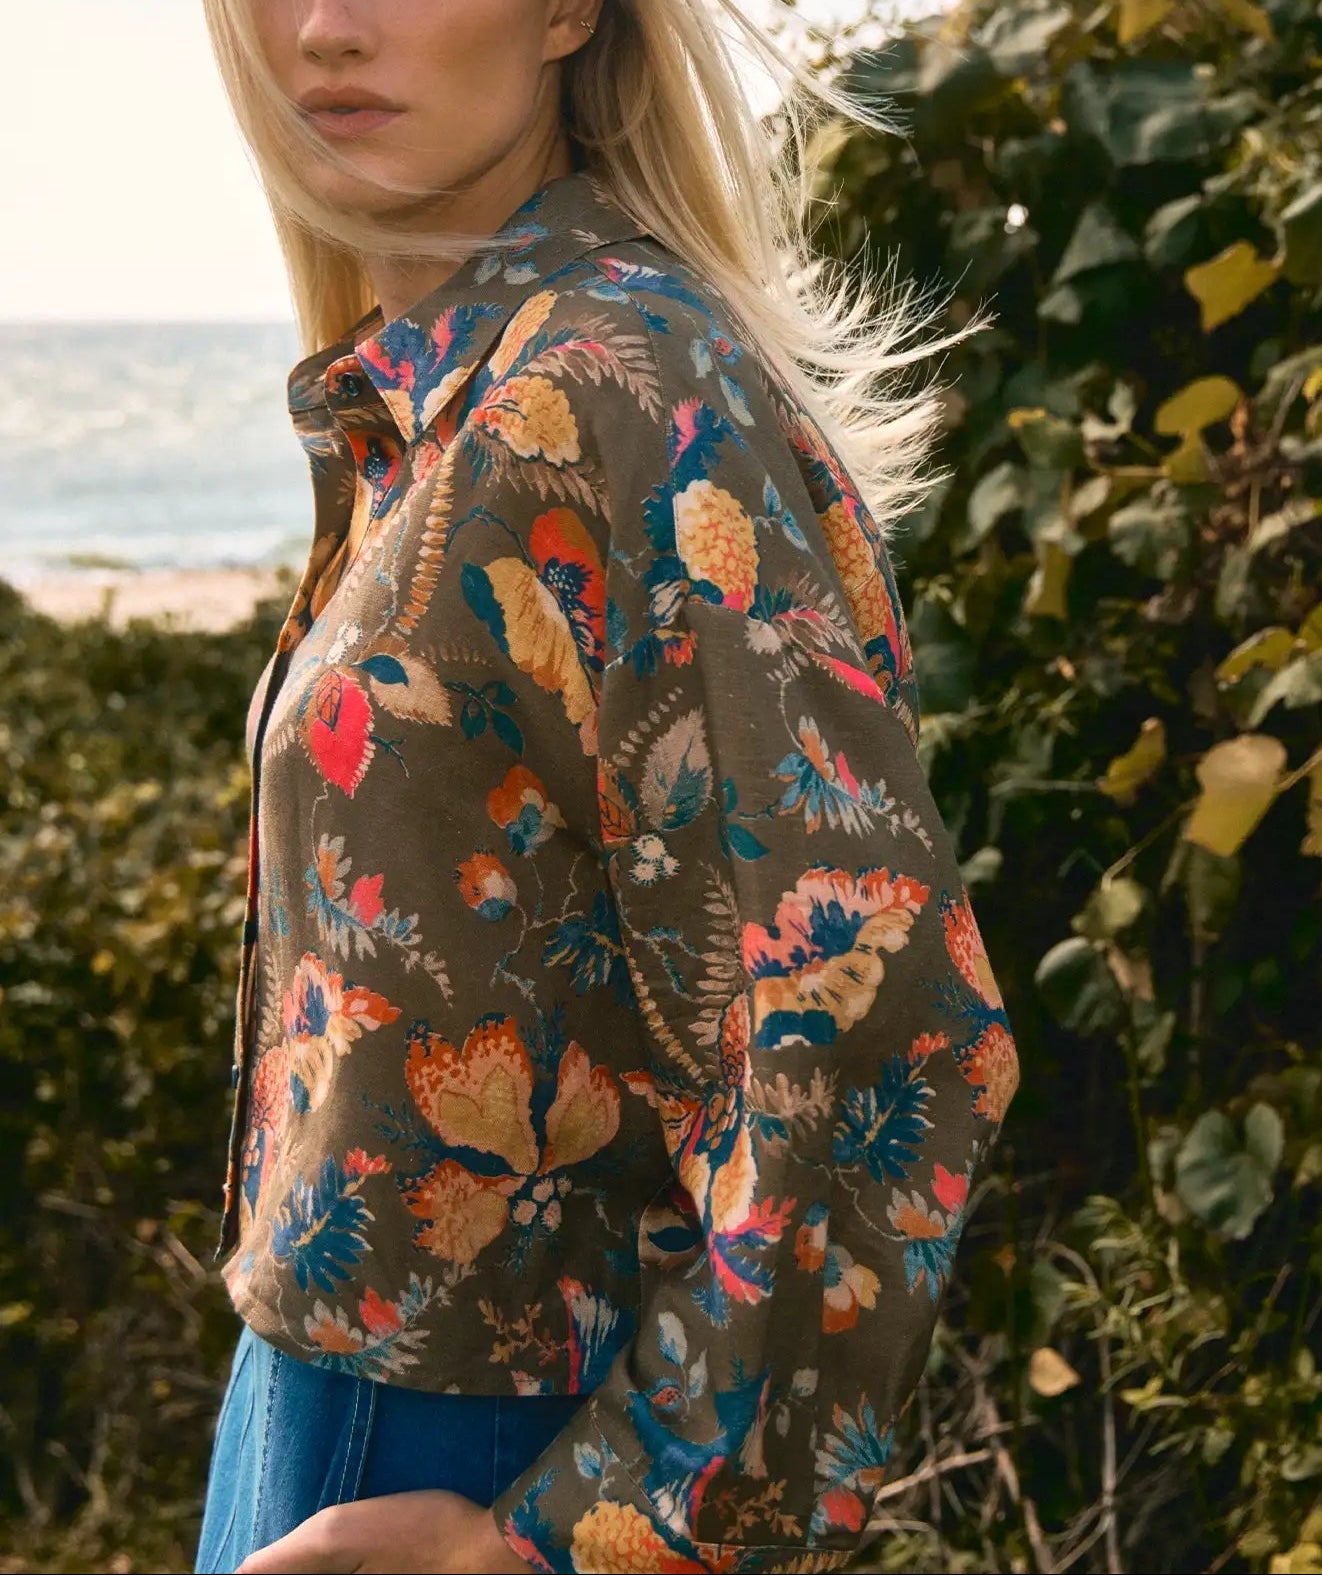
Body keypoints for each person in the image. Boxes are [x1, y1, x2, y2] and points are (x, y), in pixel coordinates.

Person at [193, 2, 1021, 1571]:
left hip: (476, 1449)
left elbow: (875, 1029)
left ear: (571, 10)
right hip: (330, 1409)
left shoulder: (612, 384)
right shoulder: (456, 394)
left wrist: (578, 1539)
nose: (324, 28)